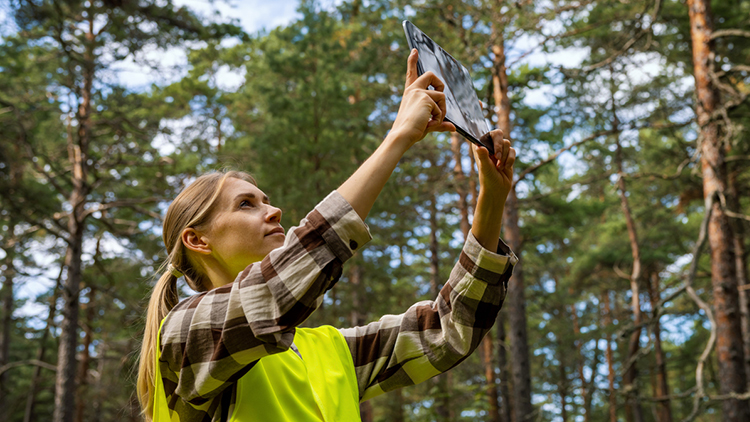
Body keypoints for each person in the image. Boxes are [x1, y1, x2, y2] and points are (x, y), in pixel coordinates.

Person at [136, 49, 518, 422]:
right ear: (198, 241)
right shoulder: (185, 337)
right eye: (246, 205)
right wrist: (397, 137)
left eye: (266, 200)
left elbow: (448, 329)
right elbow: (275, 292)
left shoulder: (334, 351)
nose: (274, 211)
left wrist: (491, 202)